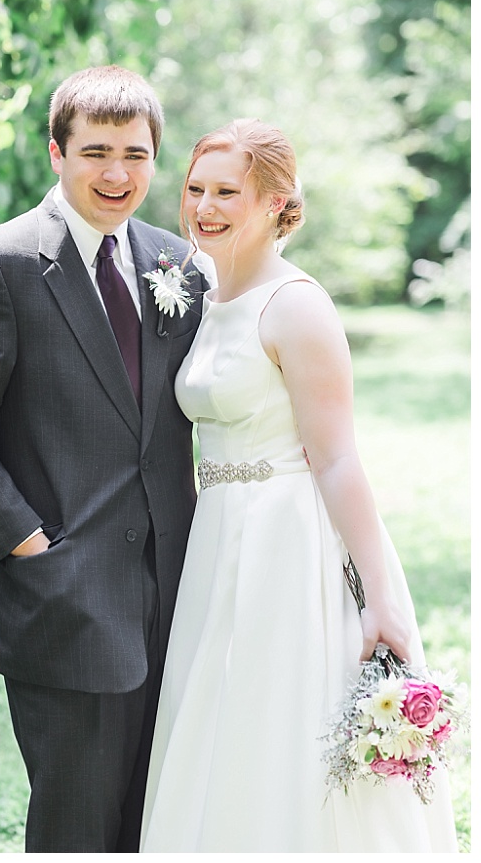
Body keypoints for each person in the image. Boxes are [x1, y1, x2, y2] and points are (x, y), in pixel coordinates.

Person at [0, 65, 210, 852]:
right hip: (64, 595)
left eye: (136, 155)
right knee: (77, 826)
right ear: (56, 153)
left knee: (159, 817)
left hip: (181, 593)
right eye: (96, 152)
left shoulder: (176, 262)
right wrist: (28, 542)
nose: (117, 174)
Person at [139, 119, 457, 851]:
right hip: (217, 538)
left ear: (278, 204)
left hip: (288, 541)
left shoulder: (297, 305)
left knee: (280, 718)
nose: (205, 208)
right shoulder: (206, 295)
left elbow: (339, 459)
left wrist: (380, 595)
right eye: (196, 189)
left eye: (229, 193)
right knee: (218, 720)